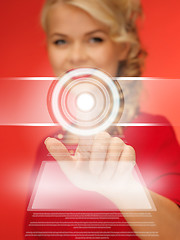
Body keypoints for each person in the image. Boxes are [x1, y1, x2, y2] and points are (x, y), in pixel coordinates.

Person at [24, 0, 180, 239]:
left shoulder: (154, 131)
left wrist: (122, 187)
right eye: (61, 41)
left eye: (95, 38)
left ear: (123, 48)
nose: (76, 56)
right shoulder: (48, 148)